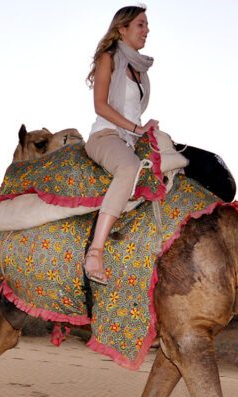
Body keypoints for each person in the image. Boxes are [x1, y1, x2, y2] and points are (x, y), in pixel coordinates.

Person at [83, 5, 158, 285]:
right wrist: (137, 128)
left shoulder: (140, 70)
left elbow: (132, 112)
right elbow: (100, 105)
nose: (146, 30)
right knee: (129, 168)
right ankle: (95, 252)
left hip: (130, 137)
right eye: (141, 24)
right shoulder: (109, 58)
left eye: (147, 25)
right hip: (106, 136)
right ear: (122, 29)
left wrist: (145, 127)